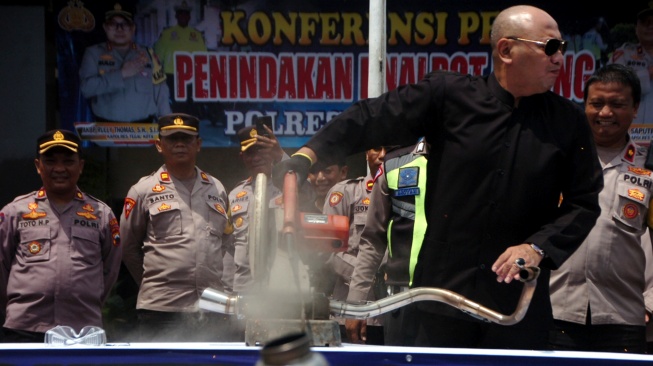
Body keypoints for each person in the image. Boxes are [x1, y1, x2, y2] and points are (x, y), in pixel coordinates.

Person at [273, 5, 603, 350]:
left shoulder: (569, 123)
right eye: (550, 47)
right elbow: (371, 117)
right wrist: (309, 155)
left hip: (518, 309)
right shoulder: (449, 96)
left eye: (562, 47)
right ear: (506, 50)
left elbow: (583, 203)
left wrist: (536, 247)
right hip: (439, 302)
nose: (560, 58)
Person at [549, 64, 653, 354]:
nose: (605, 113)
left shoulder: (648, 168)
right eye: (597, 103)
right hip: (555, 311)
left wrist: (651, 303)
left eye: (617, 104)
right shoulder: (557, 161)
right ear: (585, 106)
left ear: (635, 109)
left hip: (625, 317)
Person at [120, 113, 234, 342]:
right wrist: (155, 283)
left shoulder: (216, 188)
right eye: (172, 139)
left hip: (210, 306)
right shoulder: (143, 190)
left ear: (198, 144)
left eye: (187, 138)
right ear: (159, 145)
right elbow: (127, 247)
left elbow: (225, 242)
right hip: (161, 309)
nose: (180, 144)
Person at [0, 129, 122, 342]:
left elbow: (110, 271)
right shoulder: (14, 212)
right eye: (50, 161)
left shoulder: (101, 214)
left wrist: (84, 299)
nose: (59, 168)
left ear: (80, 166)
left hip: (82, 330)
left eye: (68, 161)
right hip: (25, 327)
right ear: (38, 166)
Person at [344, 139, 429, 346]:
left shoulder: (468, 161)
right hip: (399, 302)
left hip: (451, 303)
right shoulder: (395, 165)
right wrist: (356, 304)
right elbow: (372, 240)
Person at [322, 147, 388, 345]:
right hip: (349, 309)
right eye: (376, 148)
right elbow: (327, 250)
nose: (382, 154)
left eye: (389, 148)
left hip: (395, 313)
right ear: (366, 152)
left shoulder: (409, 192)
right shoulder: (346, 192)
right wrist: (368, 276)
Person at [79, 3, 171, 122]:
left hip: (144, 134)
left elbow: (161, 93)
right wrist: (122, 74)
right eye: (113, 24)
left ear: (133, 28)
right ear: (105, 27)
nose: (119, 29)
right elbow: (86, 89)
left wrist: (168, 125)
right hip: (107, 135)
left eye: (125, 24)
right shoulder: (93, 54)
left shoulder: (148, 54)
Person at [230, 124, 287, 294]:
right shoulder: (234, 195)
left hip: (282, 290)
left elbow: (309, 191)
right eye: (250, 153)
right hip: (244, 290)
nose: (256, 158)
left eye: (262, 150)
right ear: (242, 157)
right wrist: (228, 291)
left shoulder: (290, 185)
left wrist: (281, 156)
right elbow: (227, 248)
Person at [153, 0, 207, 116]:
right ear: (176, 15)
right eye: (181, 13)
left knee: (192, 109)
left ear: (189, 16)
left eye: (186, 14)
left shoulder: (197, 35)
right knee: (176, 108)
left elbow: (203, 57)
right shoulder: (167, 34)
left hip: (192, 78)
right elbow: (157, 58)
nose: (183, 16)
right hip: (172, 77)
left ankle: (190, 132)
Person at [609, 6, 653, 124]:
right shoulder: (624, 53)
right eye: (645, 22)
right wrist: (648, 73)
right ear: (636, 29)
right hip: (629, 129)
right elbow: (612, 85)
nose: (650, 26)